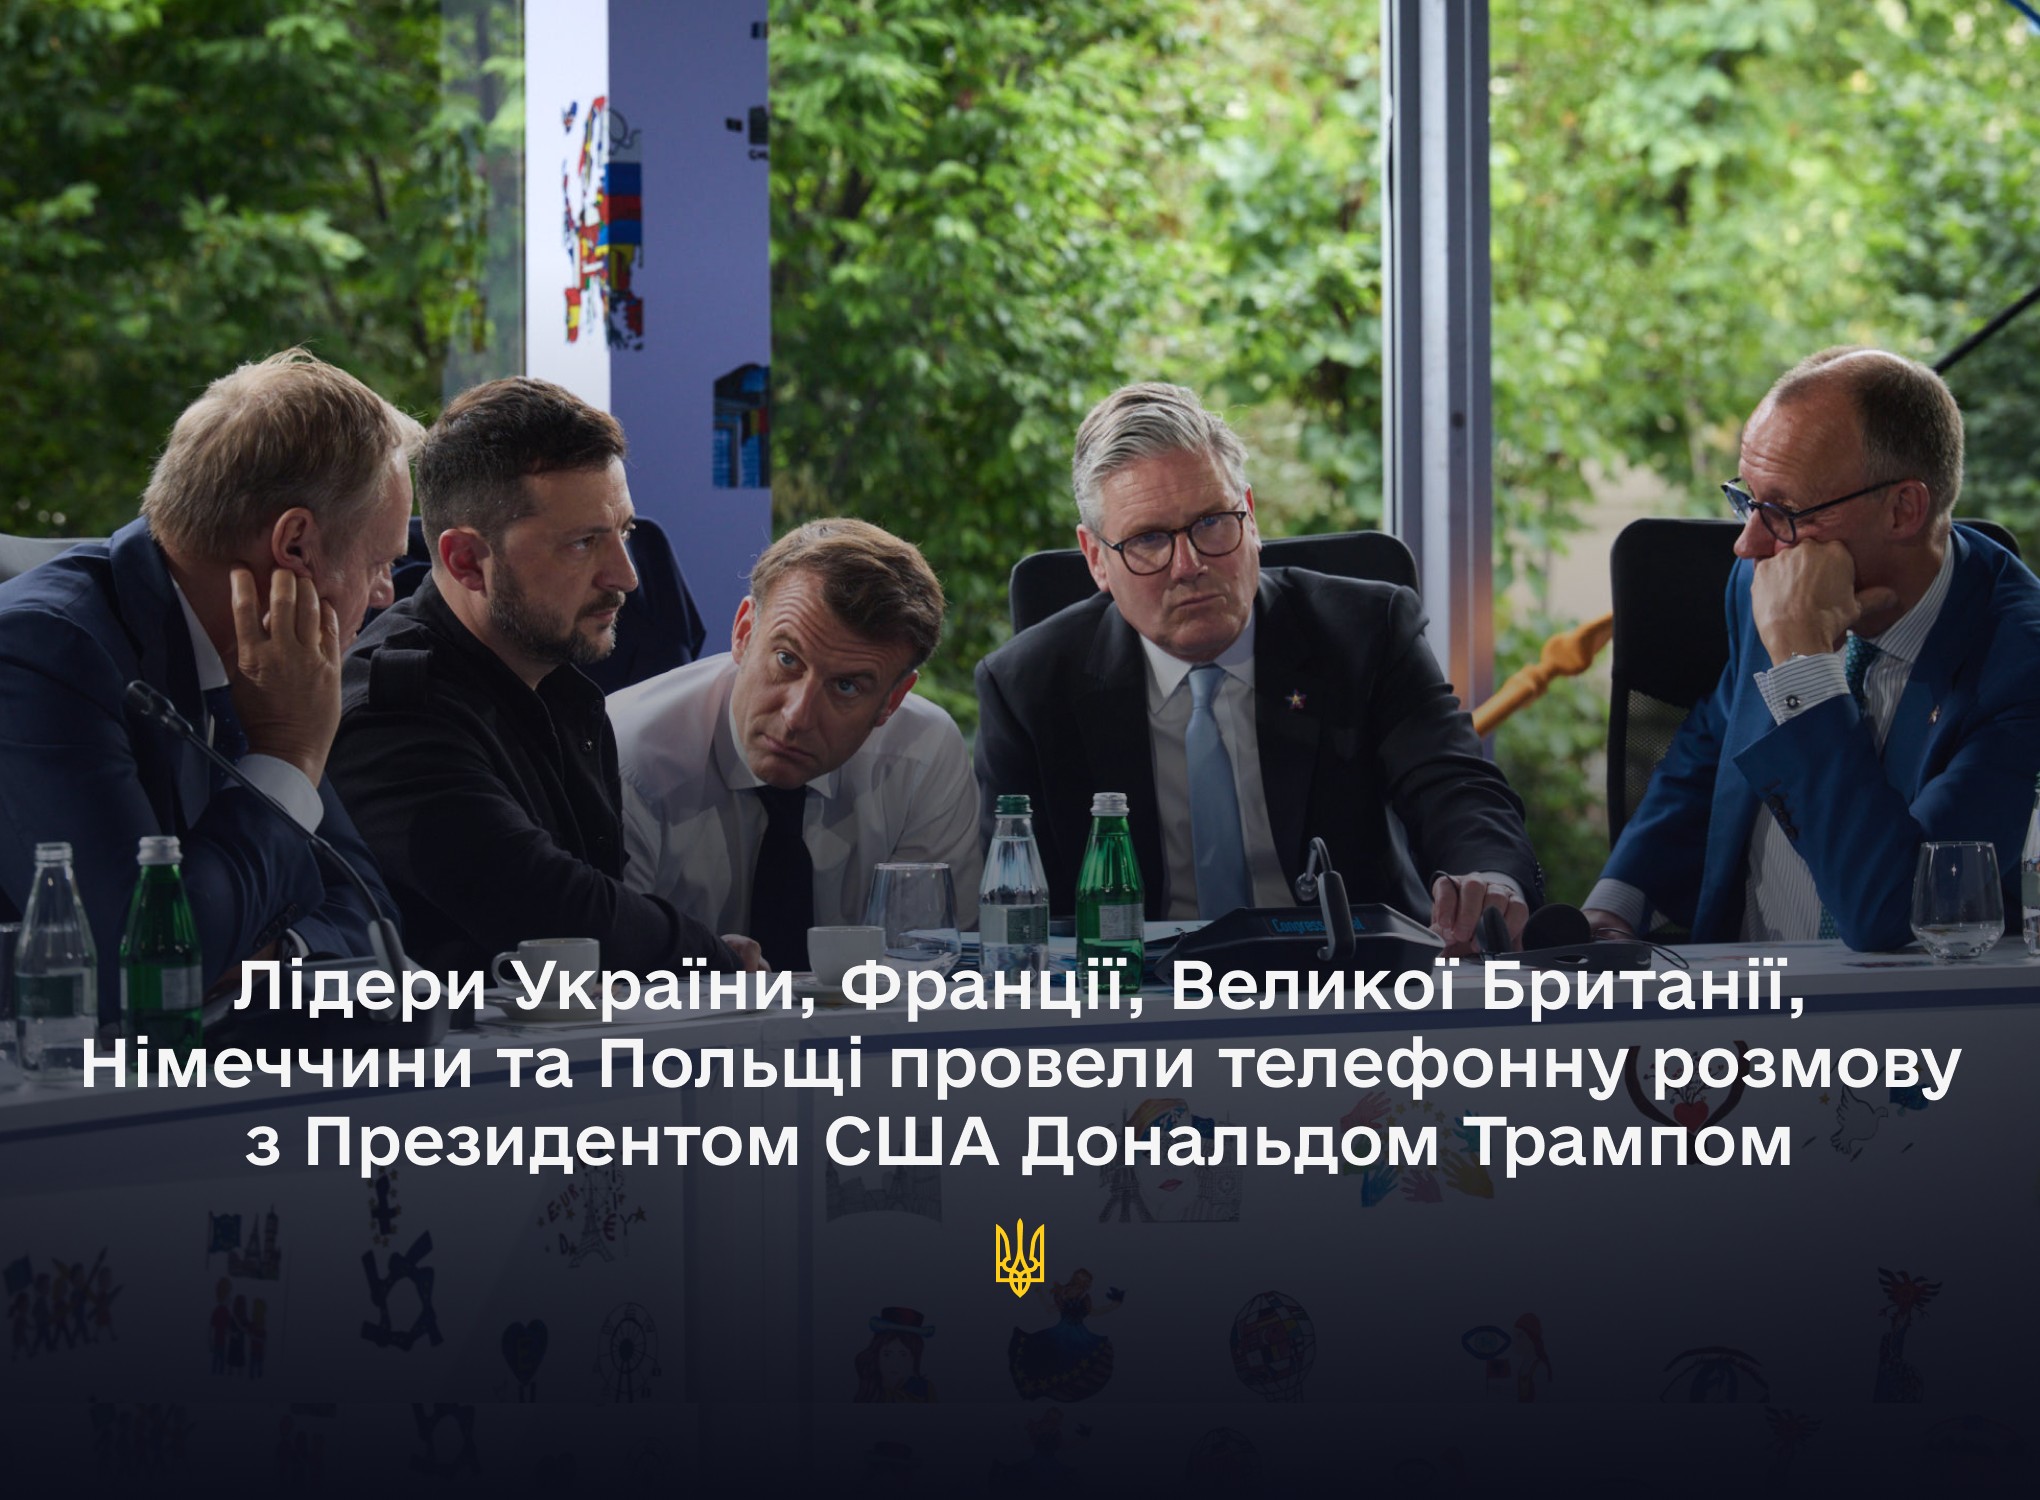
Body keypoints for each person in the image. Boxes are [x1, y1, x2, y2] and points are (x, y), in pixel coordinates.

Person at [973, 381, 1540, 948]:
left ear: (1250, 516)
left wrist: (1489, 879)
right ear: (1097, 558)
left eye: (1211, 522)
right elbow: (1020, 908)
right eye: (1148, 539)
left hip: (1351, 975)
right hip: (1137, 986)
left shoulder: (1366, 633)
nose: (1188, 565)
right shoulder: (1027, 688)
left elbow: (1455, 788)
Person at [0, 350, 411, 1018]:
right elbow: (138, 968)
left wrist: (272, 959)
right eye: (379, 562)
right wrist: (285, 753)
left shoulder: (264, 656)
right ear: (296, 545)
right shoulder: (41, 654)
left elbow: (372, 922)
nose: (387, 593)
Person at [1586, 347, 2040, 948]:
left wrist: (1803, 665)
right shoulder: (1765, 580)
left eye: (1782, 510)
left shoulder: (2020, 667)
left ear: (1903, 510)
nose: (1748, 546)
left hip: (1906, 1002)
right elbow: (1711, 753)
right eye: (1747, 500)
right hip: (1741, 985)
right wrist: (1614, 907)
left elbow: (1899, 912)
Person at [329, 377, 756, 974]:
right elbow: (552, 913)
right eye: (582, 544)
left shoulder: (559, 684)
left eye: (624, 533)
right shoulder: (392, 711)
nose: (626, 577)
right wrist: (712, 957)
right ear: (466, 561)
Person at [609, 518, 978, 973]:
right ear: (744, 633)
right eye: (787, 659)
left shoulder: (923, 754)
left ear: (892, 701)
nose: (798, 716)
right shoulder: (627, 755)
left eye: (846, 686)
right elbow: (605, 978)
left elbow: (925, 971)